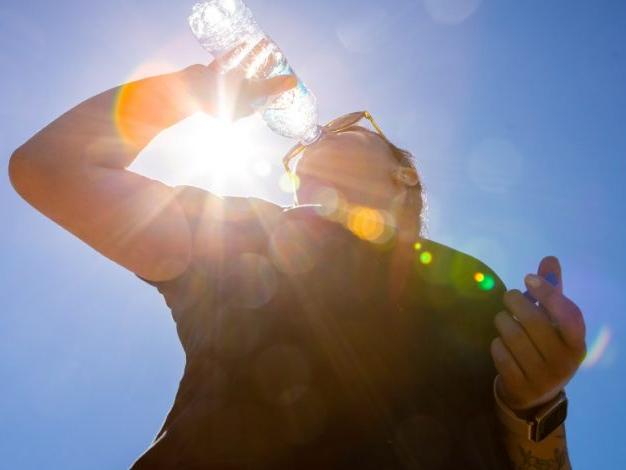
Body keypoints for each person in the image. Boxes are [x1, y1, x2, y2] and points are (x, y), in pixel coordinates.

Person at [9, 50, 587, 469]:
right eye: (297, 156)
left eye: (345, 127)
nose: (311, 141)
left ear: (403, 173)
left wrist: (535, 403)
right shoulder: (247, 233)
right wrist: (184, 92)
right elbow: (50, 170)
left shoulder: (473, 285)